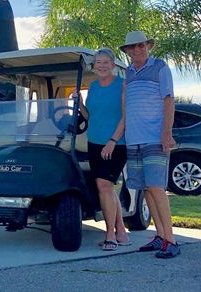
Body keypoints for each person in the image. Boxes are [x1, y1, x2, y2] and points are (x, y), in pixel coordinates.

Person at [108, 30, 179, 258]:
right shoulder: (129, 72)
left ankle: (171, 240)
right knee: (146, 188)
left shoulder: (160, 67)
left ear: (148, 46)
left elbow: (169, 100)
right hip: (134, 139)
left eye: (141, 46)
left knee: (157, 188)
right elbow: (127, 108)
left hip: (155, 138)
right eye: (132, 47)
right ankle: (159, 236)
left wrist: (166, 133)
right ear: (127, 51)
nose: (137, 50)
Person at [75, 48, 130, 251]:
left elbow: (126, 117)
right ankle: (122, 233)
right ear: (94, 66)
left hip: (116, 143)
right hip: (94, 142)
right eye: (98, 62)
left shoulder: (122, 85)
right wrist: (80, 105)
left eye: (106, 62)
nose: (102, 65)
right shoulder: (94, 87)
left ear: (113, 65)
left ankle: (110, 236)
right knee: (107, 188)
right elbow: (91, 117)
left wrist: (113, 140)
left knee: (104, 186)